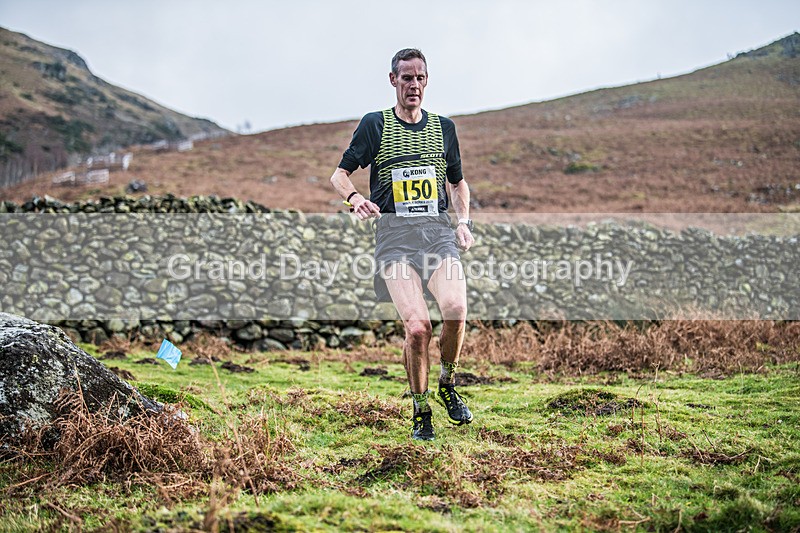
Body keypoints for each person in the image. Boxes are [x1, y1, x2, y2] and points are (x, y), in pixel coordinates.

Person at [329, 48, 474, 441]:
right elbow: (339, 175)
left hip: (438, 234)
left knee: (456, 309)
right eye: (406, 77)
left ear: (427, 81)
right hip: (395, 240)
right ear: (393, 80)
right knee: (417, 329)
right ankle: (421, 409)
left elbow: (457, 183)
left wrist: (463, 223)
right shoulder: (374, 125)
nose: (414, 85)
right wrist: (355, 198)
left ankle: (447, 383)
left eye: (420, 78)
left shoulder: (444, 128)